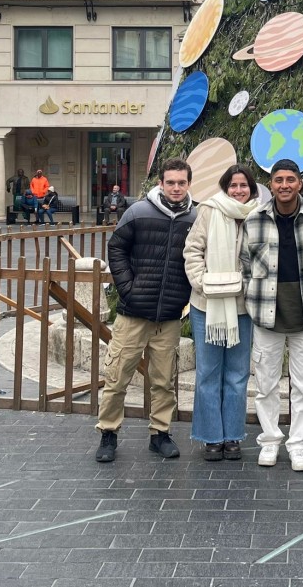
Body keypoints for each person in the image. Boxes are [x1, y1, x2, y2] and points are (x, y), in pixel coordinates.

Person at [94, 158, 197, 463]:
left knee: (164, 379)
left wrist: (186, 295)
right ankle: (108, 433)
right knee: (117, 377)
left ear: (189, 183)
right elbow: (117, 248)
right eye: (171, 182)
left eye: (181, 182)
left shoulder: (197, 216)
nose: (176, 188)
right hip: (133, 313)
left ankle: (160, 433)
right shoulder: (138, 211)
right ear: (161, 184)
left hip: (169, 316)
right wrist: (128, 287)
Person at [240, 159, 303, 471]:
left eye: (290, 179)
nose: (284, 185)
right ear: (271, 184)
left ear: (300, 182)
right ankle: (269, 441)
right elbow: (244, 263)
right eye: (278, 179)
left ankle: (298, 445)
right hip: (266, 314)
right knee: (266, 384)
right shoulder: (254, 220)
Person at [184, 164, 259, 462]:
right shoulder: (209, 211)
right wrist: (202, 284)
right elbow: (192, 250)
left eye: (243, 186)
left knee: (238, 375)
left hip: (243, 307)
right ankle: (212, 436)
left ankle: (233, 436)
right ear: (225, 187)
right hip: (207, 305)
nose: (238, 190)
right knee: (208, 373)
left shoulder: (258, 215)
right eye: (233, 185)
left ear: (251, 189)